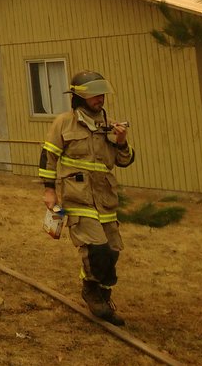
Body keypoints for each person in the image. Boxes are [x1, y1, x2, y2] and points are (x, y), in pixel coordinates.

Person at [39, 71, 135, 325]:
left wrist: (122, 141)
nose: (99, 99)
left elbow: (124, 161)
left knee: (112, 252)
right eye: (94, 94)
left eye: (102, 94)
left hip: (105, 200)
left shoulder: (110, 125)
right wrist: (49, 191)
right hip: (77, 198)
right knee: (96, 249)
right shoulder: (63, 123)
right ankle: (91, 292)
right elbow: (48, 157)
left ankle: (103, 296)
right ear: (80, 96)